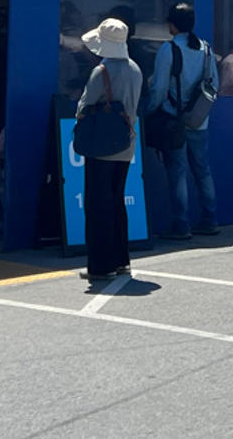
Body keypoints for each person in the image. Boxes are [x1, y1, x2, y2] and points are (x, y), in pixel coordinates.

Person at [145, 3, 219, 240]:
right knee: (202, 170)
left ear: (172, 25)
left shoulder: (168, 50)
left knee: (177, 173)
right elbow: (214, 85)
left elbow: (158, 89)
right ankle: (210, 219)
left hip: (173, 121)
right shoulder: (206, 49)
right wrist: (200, 112)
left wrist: (148, 112)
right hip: (199, 122)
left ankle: (181, 225)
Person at [76, 17, 143, 281]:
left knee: (97, 204)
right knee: (116, 201)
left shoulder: (101, 72)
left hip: (101, 144)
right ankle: (121, 259)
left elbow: (84, 106)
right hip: (126, 144)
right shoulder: (135, 69)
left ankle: (100, 265)